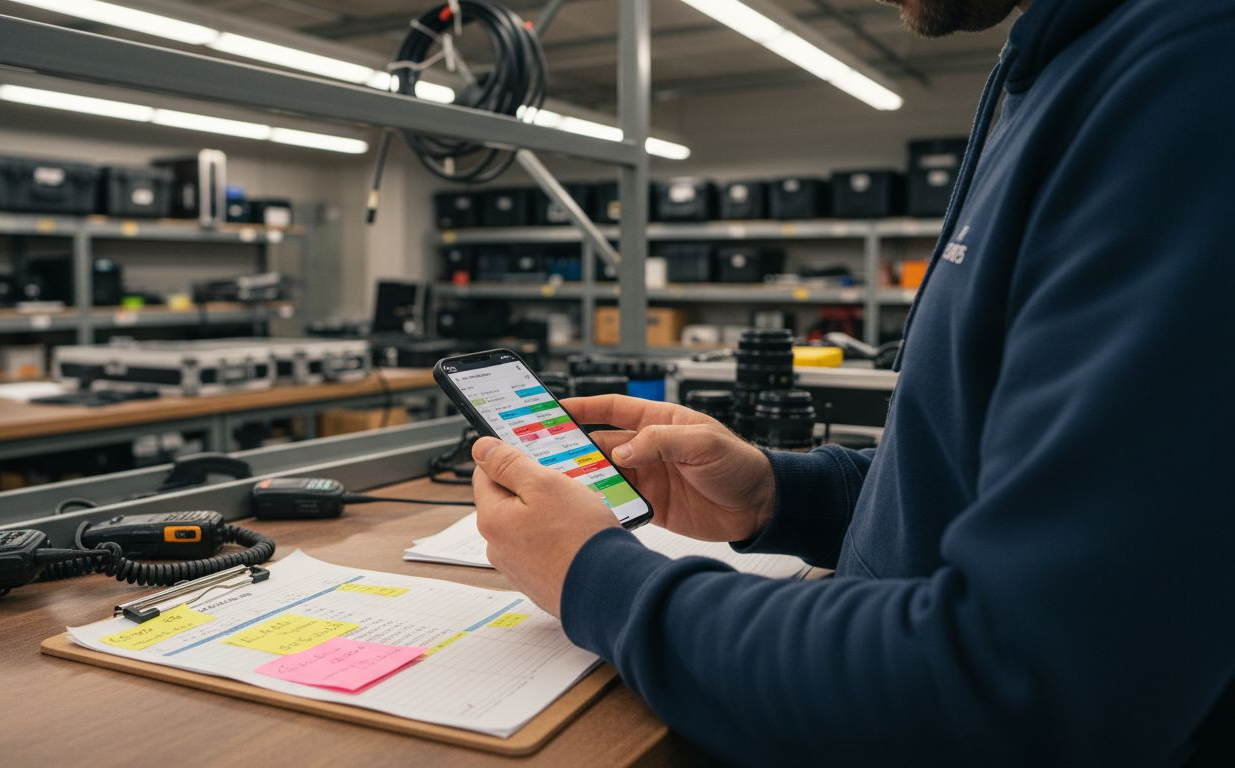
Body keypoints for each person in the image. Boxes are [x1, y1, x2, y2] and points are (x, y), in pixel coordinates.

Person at [469, 0, 1234, 764]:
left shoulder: (1185, 76)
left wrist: (598, 579)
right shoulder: (1052, 65)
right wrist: (785, 495)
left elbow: (1024, 685)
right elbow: (986, 477)